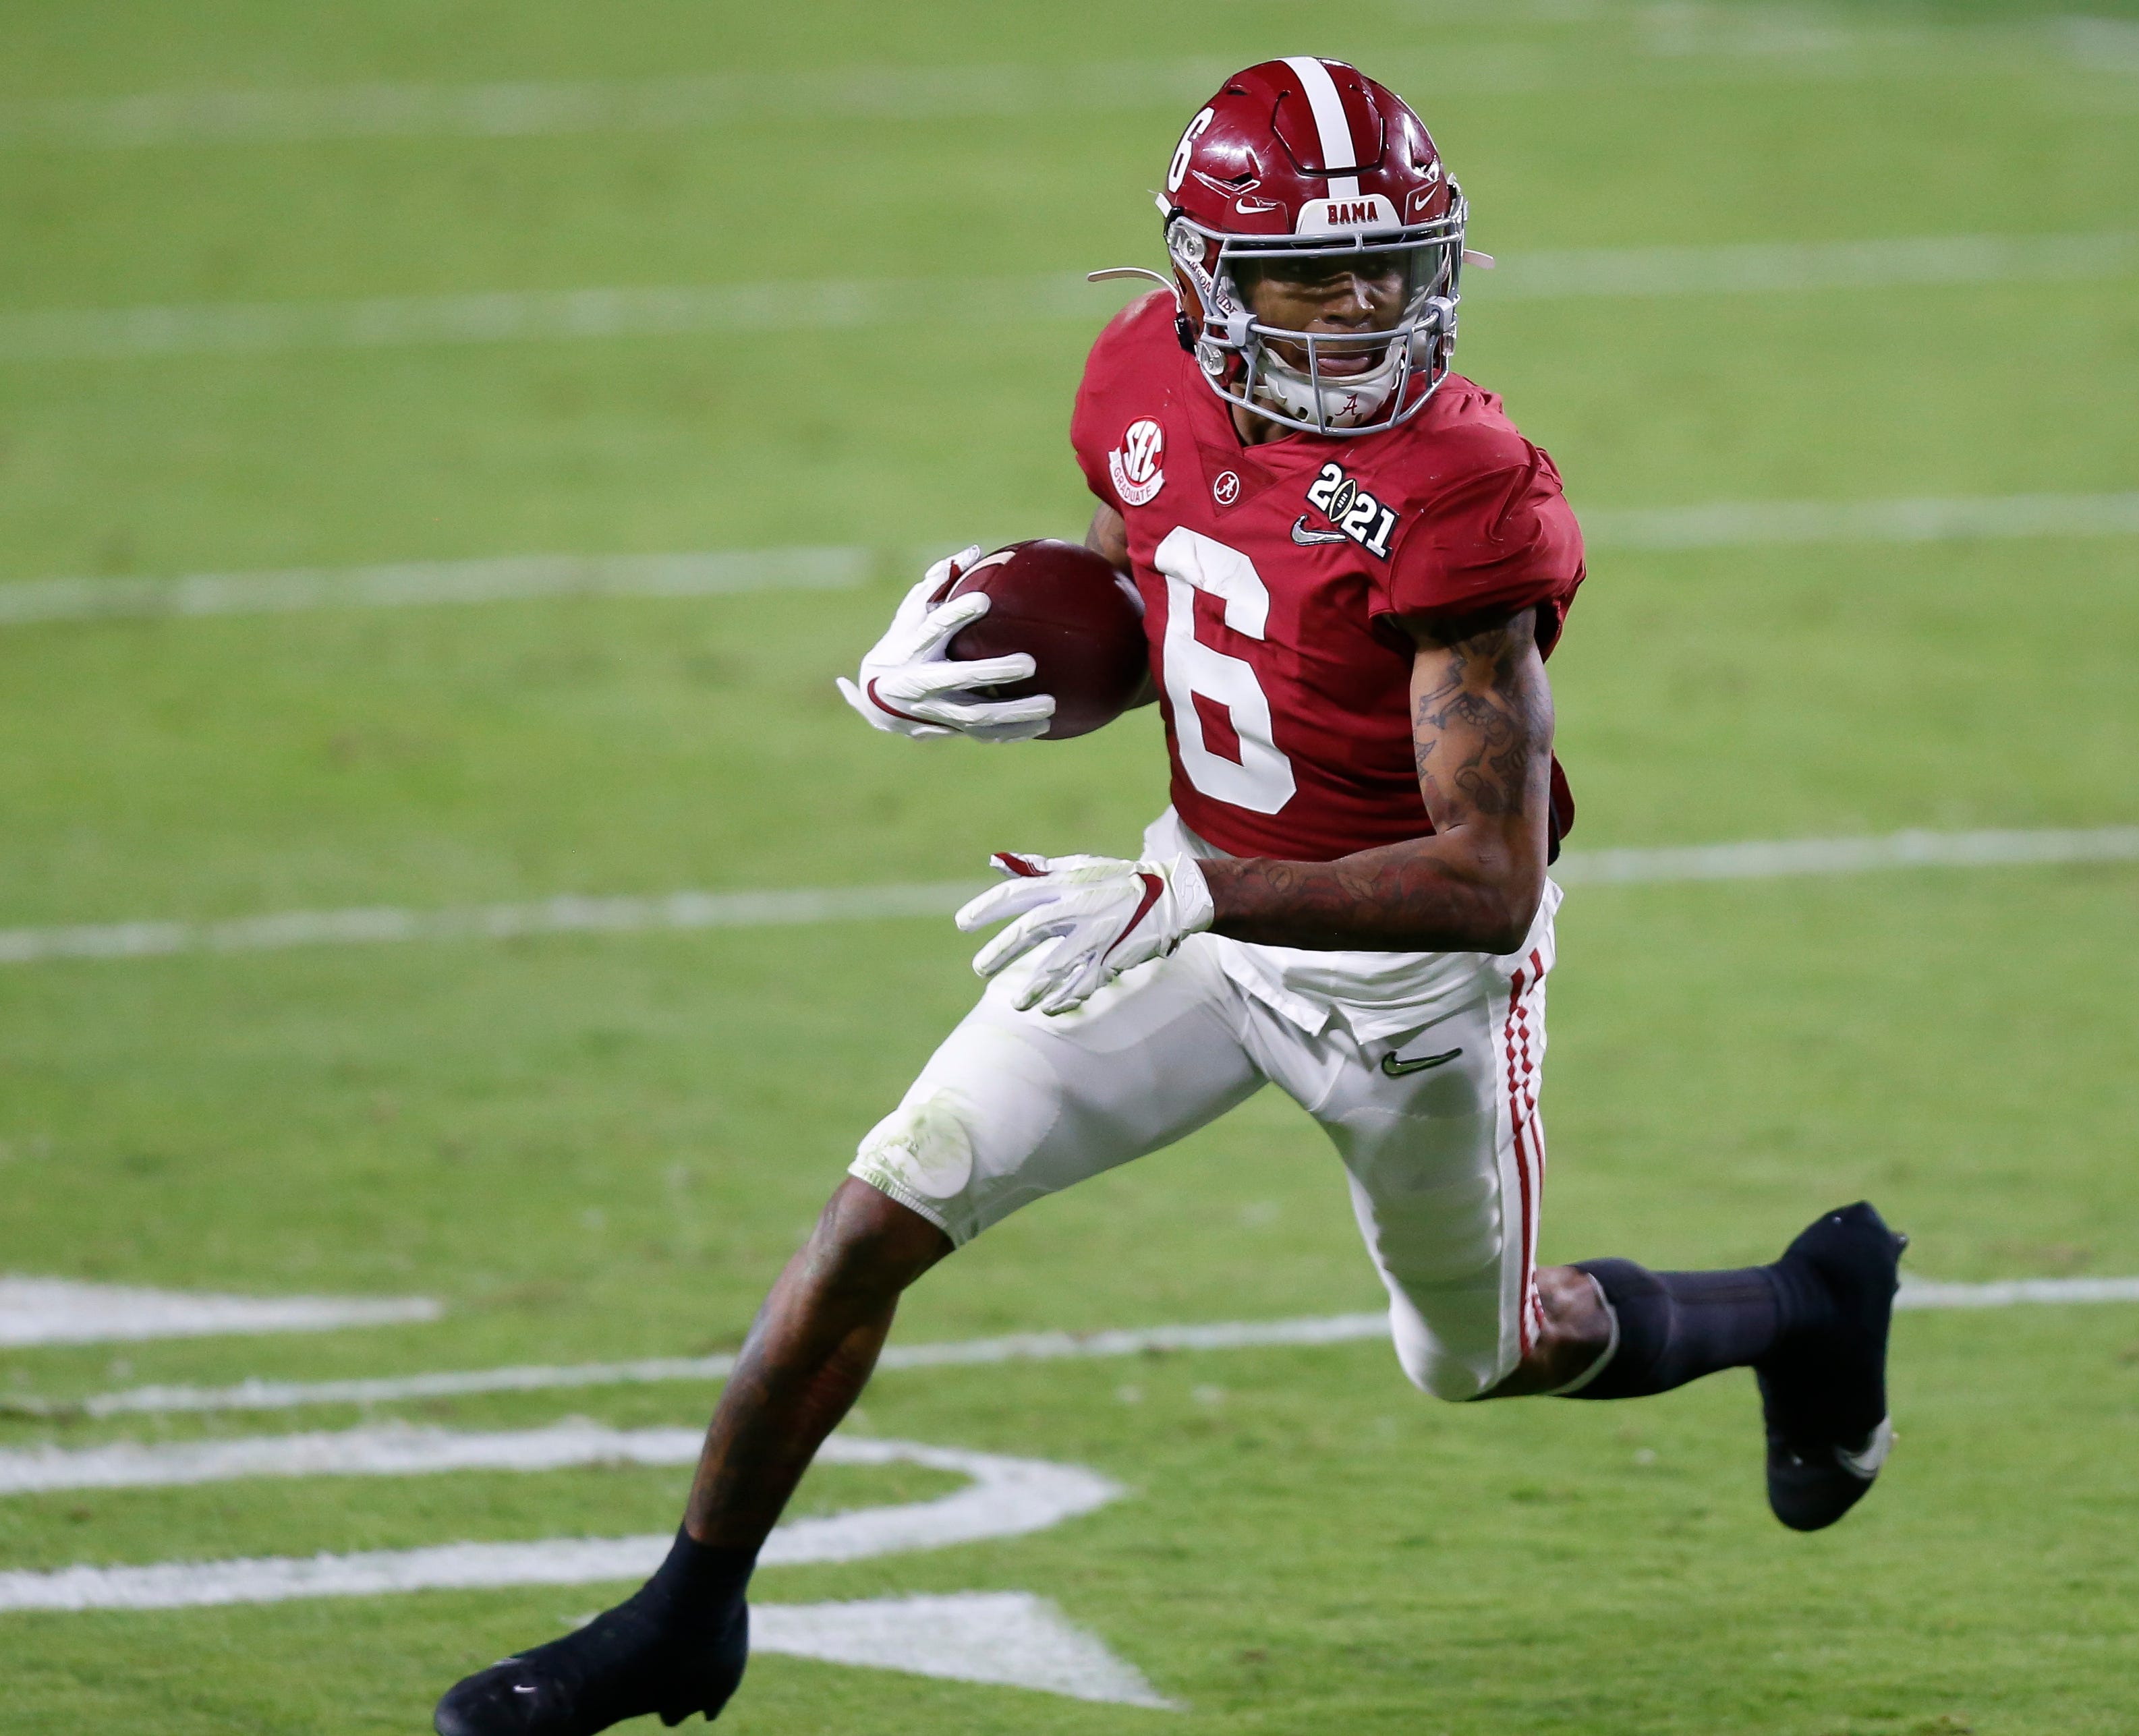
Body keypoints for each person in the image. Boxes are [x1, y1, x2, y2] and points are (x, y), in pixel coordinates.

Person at [434, 57, 1903, 1736]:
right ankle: (689, 1614)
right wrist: (986, 669)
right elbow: (1166, 612)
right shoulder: (1142, 376)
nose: (1357, 312)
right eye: (1305, 274)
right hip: (1185, 910)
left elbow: (1489, 880)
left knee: (1478, 1354)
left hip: (1402, 987)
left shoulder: (1467, 488)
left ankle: (1807, 1305)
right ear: (1207, 277)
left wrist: (1201, 904)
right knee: (879, 1213)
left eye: (1391, 269)